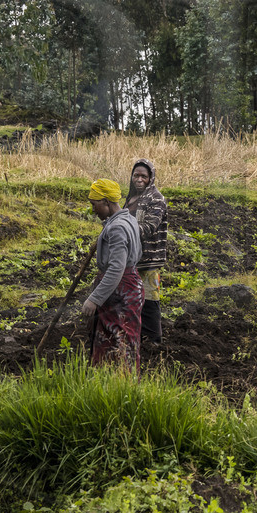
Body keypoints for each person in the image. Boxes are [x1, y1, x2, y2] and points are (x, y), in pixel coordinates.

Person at [81, 178, 144, 369]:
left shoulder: (117, 227)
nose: (93, 210)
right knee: (122, 339)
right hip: (128, 286)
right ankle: (116, 385)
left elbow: (116, 268)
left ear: (106, 202)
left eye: (94, 204)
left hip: (121, 291)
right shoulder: (129, 219)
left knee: (118, 342)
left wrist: (94, 299)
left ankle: (118, 387)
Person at [125, 158, 167, 350]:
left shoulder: (156, 198)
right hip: (131, 257)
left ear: (151, 178)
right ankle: (137, 335)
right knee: (134, 297)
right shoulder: (130, 198)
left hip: (149, 258)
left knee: (150, 297)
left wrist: (122, 231)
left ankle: (154, 339)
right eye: (136, 175)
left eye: (144, 175)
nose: (139, 179)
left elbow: (149, 226)